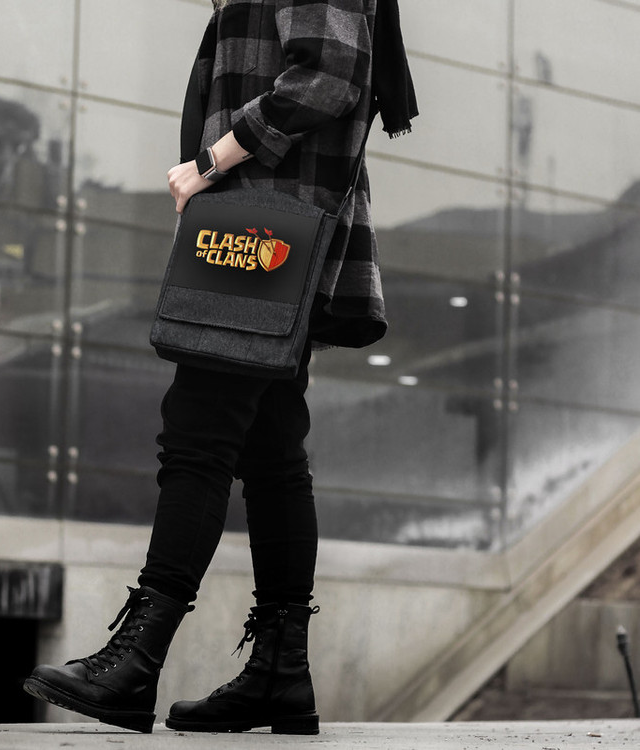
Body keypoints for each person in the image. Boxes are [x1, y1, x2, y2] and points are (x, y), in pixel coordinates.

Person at [23, 0, 416, 735]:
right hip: (273, 218)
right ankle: (280, 672)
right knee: (270, 447)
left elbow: (330, 75)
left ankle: (136, 660)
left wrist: (214, 159)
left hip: (267, 220)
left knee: (199, 431)